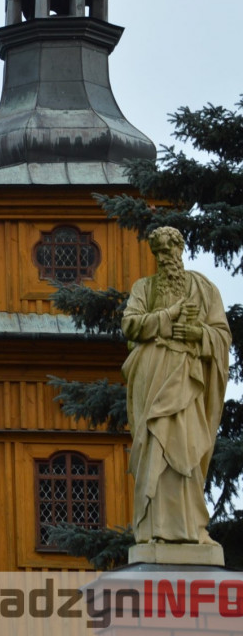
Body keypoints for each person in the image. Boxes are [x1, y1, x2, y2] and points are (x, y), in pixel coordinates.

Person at [123, 226, 231, 545]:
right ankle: (153, 528)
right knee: (154, 445)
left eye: (169, 249)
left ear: (180, 249)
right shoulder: (144, 288)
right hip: (152, 376)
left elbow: (222, 334)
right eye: (159, 251)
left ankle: (192, 528)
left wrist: (198, 334)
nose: (165, 256)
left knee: (187, 449)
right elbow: (130, 324)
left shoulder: (203, 287)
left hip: (188, 378)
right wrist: (169, 315)